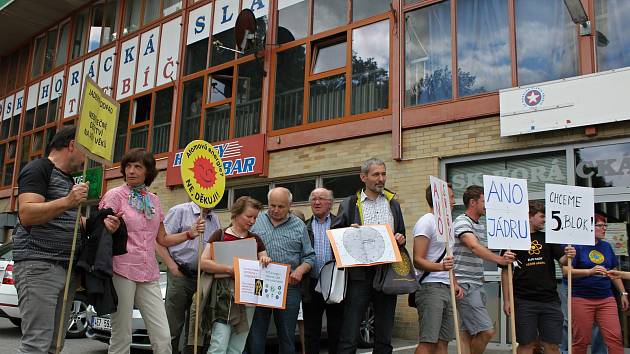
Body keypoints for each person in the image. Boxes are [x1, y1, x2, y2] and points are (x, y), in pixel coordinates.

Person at [12, 126, 120, 354]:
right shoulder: (38, 169)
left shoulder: (69, 179)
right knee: (36, 344)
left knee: (55, 344)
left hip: (66, 268)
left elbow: (73, 220)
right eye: (85, 152)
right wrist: (68, 201)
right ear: (72, 145)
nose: (86, 160)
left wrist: (102, 223)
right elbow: (27, 213)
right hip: (39, 265)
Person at [100, 148, 204, 354]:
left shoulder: (154, 200)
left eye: (137, 166)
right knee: (121, 335)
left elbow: (162, 239)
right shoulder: (115, 195)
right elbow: (99, 229)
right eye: (128, 166)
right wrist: (108, 225)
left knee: (163, 337)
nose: (131, 171)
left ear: (148, 172)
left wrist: (190, 234)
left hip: (149, 273)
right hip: (122, 269)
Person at [331, 158, 406, 354]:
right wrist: (350, 232)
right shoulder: (350, 203)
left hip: (387, 274)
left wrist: (400, 238)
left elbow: (401, 234)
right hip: (359, 276)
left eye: (383, 174)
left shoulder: (393, 204)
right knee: (350, 330)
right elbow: (336, 236)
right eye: (376, 175)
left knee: (384, 332)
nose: (381, 179)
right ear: (363, 177)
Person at [246, 187, 316, 354]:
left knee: (287, 336)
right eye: (272, 205)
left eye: (281, 206)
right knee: (256, 334)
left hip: (289, 287)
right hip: (259, 285)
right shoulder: (255, 221)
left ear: (289, 205)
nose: (276, 210)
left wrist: (299, 271)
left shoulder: (299, 226)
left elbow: (310, 257)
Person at [500, 201, 575, 354]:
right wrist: (507, 300)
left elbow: (562, 261)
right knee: (527, 344)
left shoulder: (548, 238)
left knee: (552, 345)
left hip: (550, 300)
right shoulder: (514, 239)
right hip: (524, 301)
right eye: (542, 216)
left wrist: (569, 256)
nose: (545, 220)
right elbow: (505, 271)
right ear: (529, 216)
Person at [200, 196, 271, 354]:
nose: (252, 221)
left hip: (249, 296)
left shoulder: (256, 239)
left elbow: (264, 262)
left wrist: (265, 260)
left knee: (238, 345)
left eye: (255, 217)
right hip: (224, 296)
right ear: (236, 213)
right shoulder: (220, 235)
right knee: (219, 342)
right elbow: (203, 262)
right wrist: (229, 270)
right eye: (249, 216)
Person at [452, 185, 514, 354]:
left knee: (466, 334)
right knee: (487, 331)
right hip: (465, 285)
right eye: (484, 201)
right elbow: (474, 247)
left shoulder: (477, 224)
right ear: (473, 202)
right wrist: (499, 259)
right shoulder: (462, 222)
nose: (488, 205)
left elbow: (479, 248)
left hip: (475, 284)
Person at [156, 201, 221, 354]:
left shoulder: (215, 219)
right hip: (180, 274)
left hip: (202, 277)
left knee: (195, 326)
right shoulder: (179, 211)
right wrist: (171, 265)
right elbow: (159, 240)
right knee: (173, 324)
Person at [565, 213, 628, 354]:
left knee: (615, 338)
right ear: (589, 228)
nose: (604, 228)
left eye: (605, 225)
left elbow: (614, 271)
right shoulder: (576, 246)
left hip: (606, 298)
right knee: (581, 340)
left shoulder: (606, 246)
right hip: (581, 298)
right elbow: (566, 271)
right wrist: (590, 271)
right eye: (600, 225)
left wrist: (623, 293)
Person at [412, 184, 463, 354]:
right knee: (428, 341)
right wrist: (440, 267)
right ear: (438, 199)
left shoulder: (448, 224)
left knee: (443, 341)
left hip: (447, 286)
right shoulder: (426, 221)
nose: (454, 201)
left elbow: (449, 258)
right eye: (450, 196)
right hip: (430, 287)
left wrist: (454, 282)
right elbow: (418, 259)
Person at [302, 188, 343, 354]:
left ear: (331, 204)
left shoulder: (340, 224)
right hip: (311, 283)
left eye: (321, 199)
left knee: (337, 329)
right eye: (313, 199)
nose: (316, 202)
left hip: (335, 283)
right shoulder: (303, 226)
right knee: (311, 331)